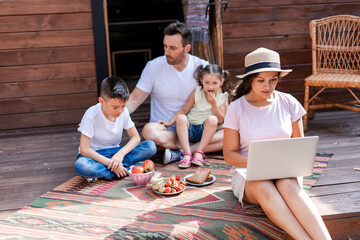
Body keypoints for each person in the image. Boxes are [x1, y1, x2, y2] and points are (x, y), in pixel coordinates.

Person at [223, 48, 331, 239]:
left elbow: (299, 147)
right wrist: (260, 162)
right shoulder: (236, 108)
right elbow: (229, 155)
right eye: (261, 80)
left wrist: (286, 166)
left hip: (285, 172)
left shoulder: (289, 102)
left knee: (289, 188)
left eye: (273, 79)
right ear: (250, 80)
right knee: (264, 187)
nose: (268, 86)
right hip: (248, 174)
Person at [126, 21, 224, 164]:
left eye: (172, 48)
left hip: (197, 128)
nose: (166, 52)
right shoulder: (153, 67)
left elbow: (219, 100)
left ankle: (182, 153)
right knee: (148, 132)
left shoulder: (202, 67)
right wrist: (105, 114)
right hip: (167, 131)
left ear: (187, 48)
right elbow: (133, 100)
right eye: (165, 46)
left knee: (232, 132)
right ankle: (195, 151)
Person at [75, 77, 157, 182]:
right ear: (101, 101)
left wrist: (120, 154)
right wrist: (110, 163)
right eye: (115, 107)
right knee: (81, 166)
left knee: (150, 146)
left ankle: (108, 172)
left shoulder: (124, 112)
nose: (120, 111)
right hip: (95, 156)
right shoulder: (91, 115)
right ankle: (126, 169)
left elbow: (135, 137)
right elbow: (84, 150)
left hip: (116, 153)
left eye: (123, 106)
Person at [158, 64, 230, 168]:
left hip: (205, 131)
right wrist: (170, 122)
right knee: (181, 118)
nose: (210, 86)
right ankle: (186, 154)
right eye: (207, 83)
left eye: (215, 83)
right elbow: (184, 110)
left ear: (221, 82)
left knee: (213, 119)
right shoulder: (197, 92)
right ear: (201, 81)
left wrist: (213, 103)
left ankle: (199, 152)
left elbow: (220, 120)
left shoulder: (222, 97)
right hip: (191, 129)